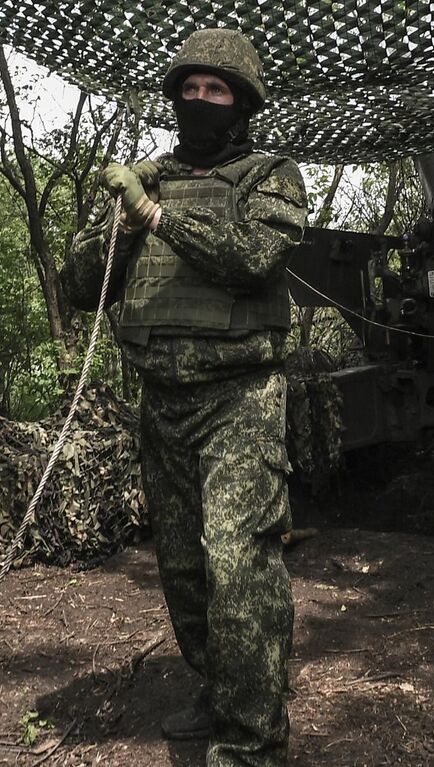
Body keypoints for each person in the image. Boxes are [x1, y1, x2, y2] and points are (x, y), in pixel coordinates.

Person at [60, 28, 306, 767]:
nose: (199, 100)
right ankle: (216, 687)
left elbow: (253, 257)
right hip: (160, 397)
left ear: (242, 105)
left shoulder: (270, 175)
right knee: (182, 567)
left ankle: (254, 740)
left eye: (216, 90)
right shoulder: (149, 179)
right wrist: (121, 216)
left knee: (239, 563)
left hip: (239, 396)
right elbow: (80, 287)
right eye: (189, 89)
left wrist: (157, 215)